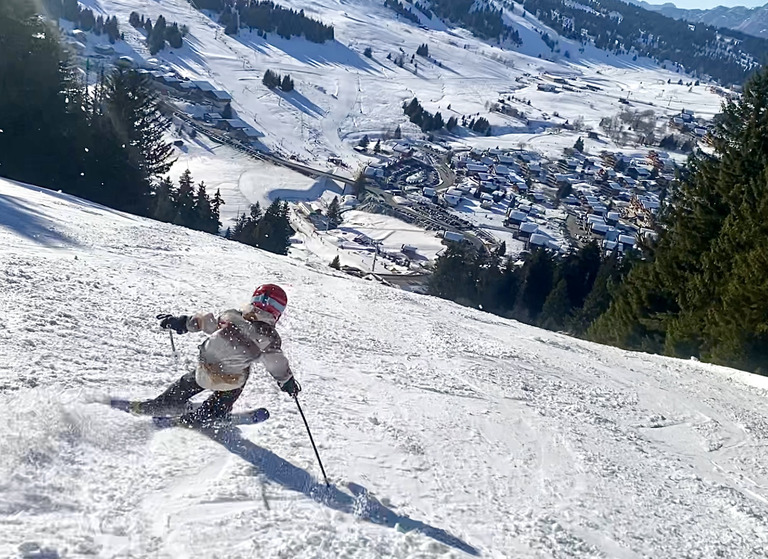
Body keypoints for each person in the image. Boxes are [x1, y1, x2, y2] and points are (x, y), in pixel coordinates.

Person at [134, 283, 300, 425]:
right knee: (241, 374)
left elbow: (205, 322)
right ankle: (211, 413)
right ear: (278, 312)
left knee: (191, 381)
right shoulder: (269, 337)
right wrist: (287, 381)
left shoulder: (231, 316)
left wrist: (181, 322)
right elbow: (276, 364)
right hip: (230, 381)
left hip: (204, 371)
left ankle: (166, 402)